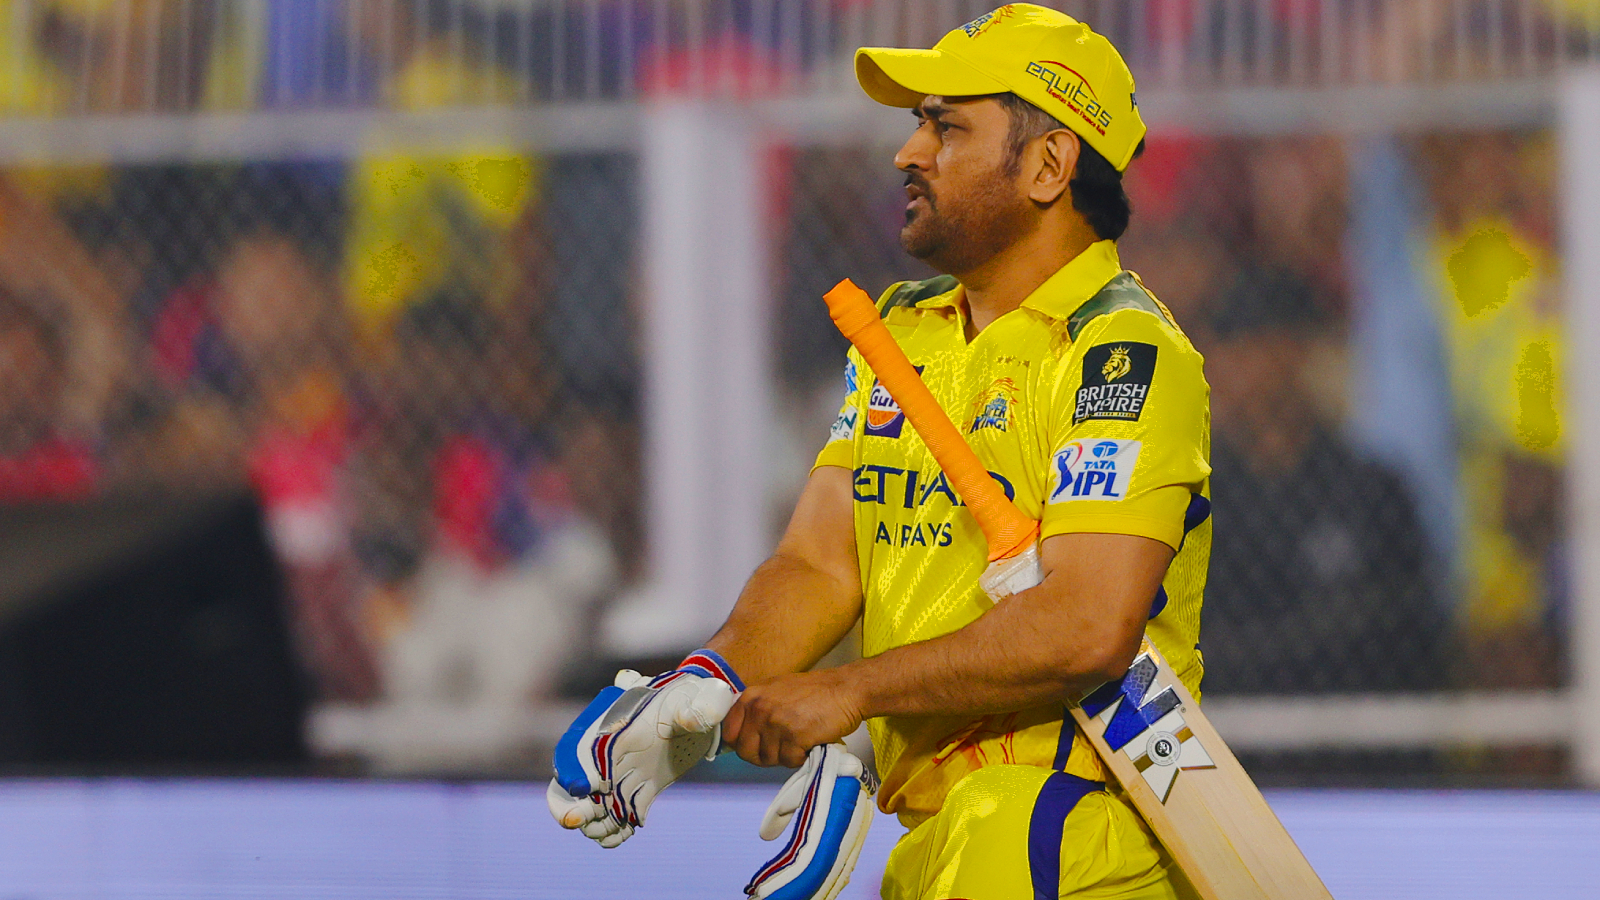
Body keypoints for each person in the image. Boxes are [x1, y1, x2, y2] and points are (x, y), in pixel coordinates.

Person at [555, 7, 1209, 898]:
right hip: (937, 837)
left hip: (1063, 831)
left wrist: (852, 694)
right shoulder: (904, 331)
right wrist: (705, 684)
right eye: (918, 123)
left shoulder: (1120, 354)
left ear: (1050, 165)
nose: (909, 152)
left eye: (947, 127)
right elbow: (819, 565)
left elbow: (1086, 624)